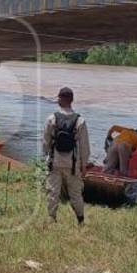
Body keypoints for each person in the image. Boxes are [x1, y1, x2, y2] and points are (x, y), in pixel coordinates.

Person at [43, 87, 90, 225]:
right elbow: (84, 146)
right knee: (75, 193)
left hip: (55, 162)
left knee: (53, 192)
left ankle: (52, 219)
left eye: (58, 98)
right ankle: (80, 220)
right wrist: (84, 165)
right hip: (73, 164)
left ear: (61, 99)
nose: (57, 100)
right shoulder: (80, 121)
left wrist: (47, 157)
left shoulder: (52, 118)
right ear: (72, 100)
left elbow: (46, 142)